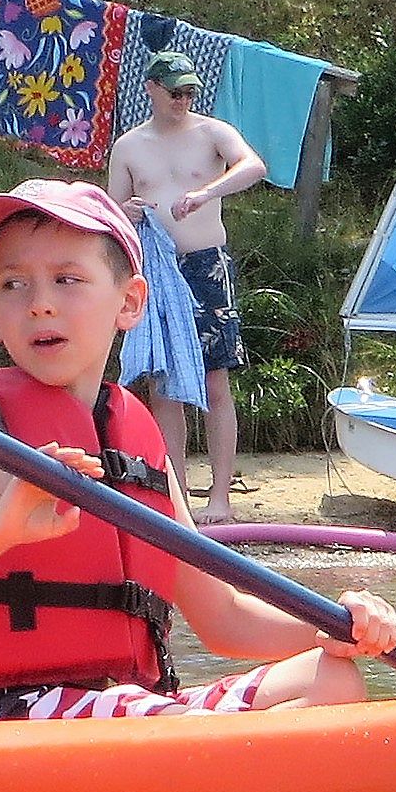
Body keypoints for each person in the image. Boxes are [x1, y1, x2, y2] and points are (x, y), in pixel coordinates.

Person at [0, 178, 396, 720]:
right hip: (9, 715)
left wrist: (338, 627)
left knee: (330, 677)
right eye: (14, 284)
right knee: (165, 721)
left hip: (135, 708)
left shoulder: (141, 445)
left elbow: (222, 616)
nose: (40, 305)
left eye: (67, 279)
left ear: (129, 302)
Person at [106, 51, 267, 522]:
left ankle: (220, 496)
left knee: (216, 379)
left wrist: (206, 193)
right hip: (155, 269)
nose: (182, 100)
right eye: (174, 91)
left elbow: (253, 166)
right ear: (152, 89)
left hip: (206, 264)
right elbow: (111, 211)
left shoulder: (212, 132)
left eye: (189, 92)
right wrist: (127, 213)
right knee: (163, 384)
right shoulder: (129, 146)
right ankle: (175, 497)